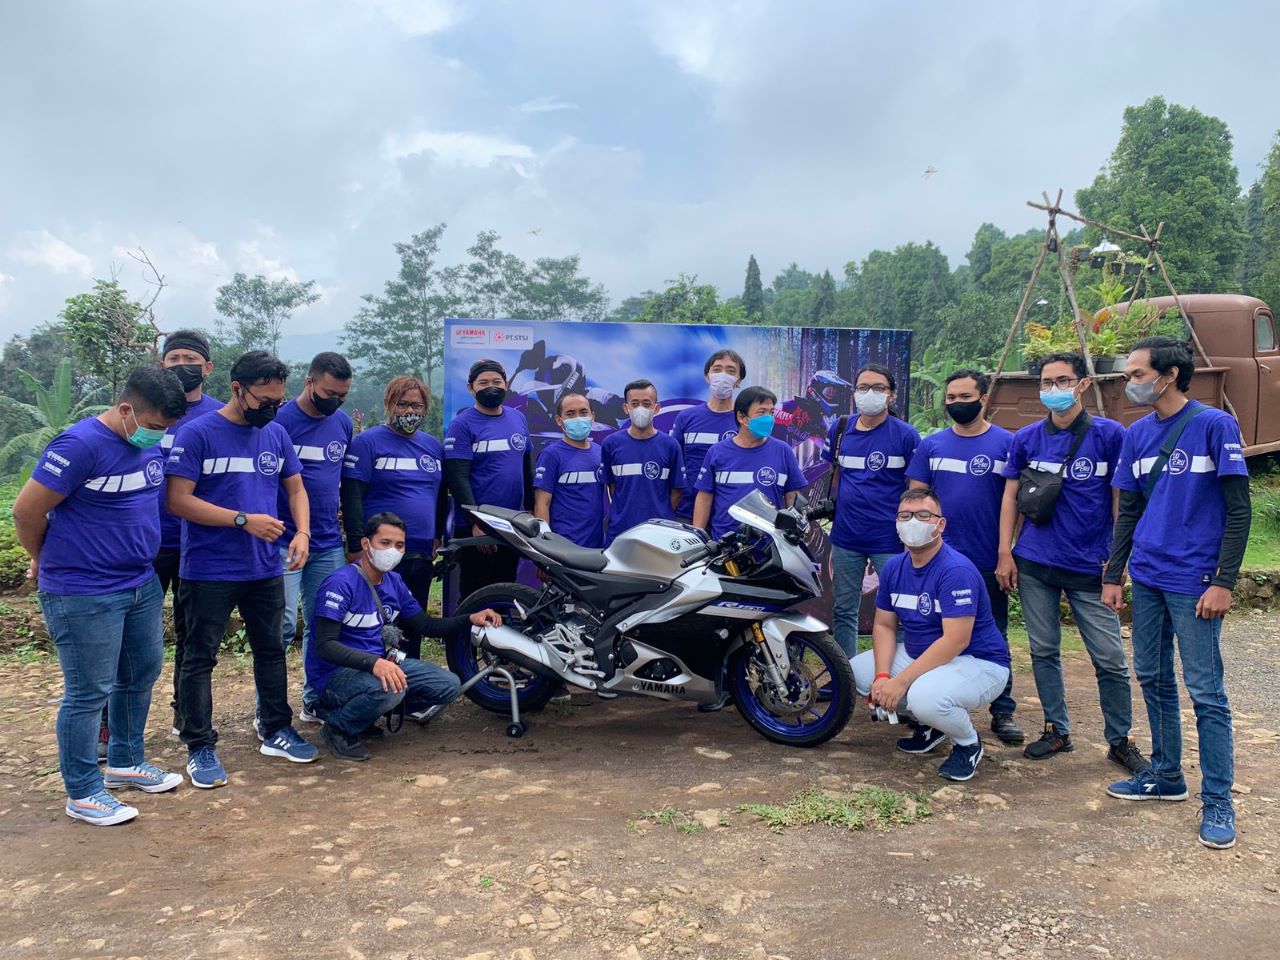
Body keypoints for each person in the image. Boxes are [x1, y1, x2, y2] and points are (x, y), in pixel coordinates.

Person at [12, 366, 188, 825]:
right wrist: (42, 558)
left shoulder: (146, 441)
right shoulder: (79, 446)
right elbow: (26, 511)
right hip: (84, 590)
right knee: (89, 692)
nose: (158, 435)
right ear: (126, 410)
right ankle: (84, 791)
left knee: (140, 673)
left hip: (139, 582)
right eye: (154, 426)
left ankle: (126, 761)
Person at [1103, 336, 1251, 850]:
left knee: (1206, 691)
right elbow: (1129, 511)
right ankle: (1167, 775)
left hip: (1195, 581)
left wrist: (1223, 581)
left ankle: (1219, 800)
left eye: (1137, 374)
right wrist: (1114, 573)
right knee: (1152, 675)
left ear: (1169, 376)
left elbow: (1239, 511)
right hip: (1148, 576)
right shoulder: (1136, 434)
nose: (1129, 383)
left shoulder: (1214, 425)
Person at [166, 350, 318, 789]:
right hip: (208, 569)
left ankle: (275, 728)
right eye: (264, 401)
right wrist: (241, 520)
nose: (272, 409)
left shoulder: (275, 434)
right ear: (237, 389)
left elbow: (296, 488)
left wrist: (302, 532)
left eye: (278, 401)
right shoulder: (197, 434)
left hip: (263, 567)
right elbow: (178, 500)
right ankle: (199, 745)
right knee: (199, 657)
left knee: (271, 649)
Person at [996, 352, 1147, 773]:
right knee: (1044, 650)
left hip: (1091, 567)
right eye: (1047, 382)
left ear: (1082, 384)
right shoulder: (1027, 438)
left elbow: (1121, 500)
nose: (1053, 389)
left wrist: (1118, 560)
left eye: (1063, 380)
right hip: (1035, 563)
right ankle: (1056, 730)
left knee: (1110, 659)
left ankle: (1120, 740)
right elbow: (1010, 496)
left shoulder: (1110, 435)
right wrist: (1005, 551)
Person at [307, 513, 502, 761]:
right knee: (390, 690)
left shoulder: (394, 582)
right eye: (385, 543)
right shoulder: (340, 583)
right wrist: (375, 664)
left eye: (399, 545)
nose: (392, 551)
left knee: (449, 685)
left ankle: (364, 714)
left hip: (378, 667)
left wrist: (470, 618)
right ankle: (338, 726)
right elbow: (325, 645)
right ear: (366, 544)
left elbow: (426, 625)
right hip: (335, 675)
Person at [850, 488, 1012, 782]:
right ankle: (934, 726)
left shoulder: (956, 570)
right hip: (923, 655)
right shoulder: (895, 567)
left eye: (923, 515)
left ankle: (967, 743)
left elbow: (955, 640)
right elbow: (884, 625)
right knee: (857, 674)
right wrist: (884, 676)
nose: (912, 522)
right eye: (905, 516)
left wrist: (900, 682)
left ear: (940, 524)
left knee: (925, 697)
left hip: (978, 661)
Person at [907, 369, 1023, 746]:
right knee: (935, 633)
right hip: (938, 562)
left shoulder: (1008, 444)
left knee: (994, 633)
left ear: (984, 399)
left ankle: (1002, 710)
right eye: (951, 398)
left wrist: (1007, 552)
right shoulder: (931, 446)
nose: (957, 403)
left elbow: (1014, 503)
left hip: (987, 560)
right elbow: (915, 502)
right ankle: (933, 710)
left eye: (965, 397)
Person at [342, 376, 445, 660]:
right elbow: (352, 497)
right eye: (403, 404)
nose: (410, 411)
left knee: (413, 624)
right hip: (380, 553)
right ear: (389, 404)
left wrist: (437, 536)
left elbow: (439, 496)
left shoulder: (433, 446)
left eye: (417, 405)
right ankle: (376, 680)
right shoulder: (366, 443)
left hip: (420, 553)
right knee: (378, 624)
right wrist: (355, 545)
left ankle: (410, 678)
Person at [822, 364, 920, 659]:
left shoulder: (905, 435)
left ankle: (897, 675)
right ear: (854, 393)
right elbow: (835, 476)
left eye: (878, 388)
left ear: (891, 395)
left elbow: (916, 491)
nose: (870, 393)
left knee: (899, 611)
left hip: (889, 541)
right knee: (843, 610)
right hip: (846, 538)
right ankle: (847, 676)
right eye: (863, 387)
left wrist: (910, 536)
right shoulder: (840, 430)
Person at [152, 330, 222, 739]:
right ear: (162, 364)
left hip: (198, 546)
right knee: (130, 639)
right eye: (173, 358)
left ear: (207, 367)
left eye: (190, 359)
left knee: (191, 635)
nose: (181, 365)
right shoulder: (143, 412)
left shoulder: (220, 417)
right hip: (146, 543)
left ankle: (186, 714)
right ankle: (109, 725)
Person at [275, 352, 353, 718]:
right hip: (281, 541)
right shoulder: (279, 421)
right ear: (309, 383)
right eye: (329, 393)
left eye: (343, 395)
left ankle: (315, 698)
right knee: (281, 625)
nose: (335, 401)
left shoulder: (342, 424)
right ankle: (270, 711)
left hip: (326, 542)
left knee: (325, 624)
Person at [444, 359, 532, 602]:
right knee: (476, 593)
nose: (491, 387)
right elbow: (457, 477)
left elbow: (526, 467)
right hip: (477, 525)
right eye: (483, 383)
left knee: (505, 588)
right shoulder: (461, 425)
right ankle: (469, 629)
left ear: (506, 384)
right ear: (471, 388)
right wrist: (476, 522)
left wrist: (530, 510)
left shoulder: (518, 418)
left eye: (497, 381)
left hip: (512, 523)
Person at [693, 385, 806, 539]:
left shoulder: (783, 450)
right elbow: (704, 498)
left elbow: (792, 497)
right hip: (725, 544)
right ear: (742, 417)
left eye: (771, 412)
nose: (769, 418)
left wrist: (796, 530)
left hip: (770, 544)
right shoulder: (717, 452)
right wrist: (697, 537)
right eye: (762, 412)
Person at [601, 379, 685, 544]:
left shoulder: (670, 445)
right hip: (620, 530)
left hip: (659, 533)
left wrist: (661, 517)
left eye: (646, 404)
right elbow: (612, 487)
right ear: (626, 408)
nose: (640, 408)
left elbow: (677, 491)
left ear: (656, 408)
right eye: (635, 404)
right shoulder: (610, 444)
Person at [671, 350, 744, 521]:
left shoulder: (745, 421)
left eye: (731, 371)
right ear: (707, 377)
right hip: (687, 511)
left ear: (739, 381)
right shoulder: (686, 418)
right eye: (717, 369)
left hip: (729, 517)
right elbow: (673, 463)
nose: (723, 376)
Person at [533, 392, 606, 548]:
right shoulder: (551, 455)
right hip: (563, 547)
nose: (578, 418)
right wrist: (545, 546)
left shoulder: (601, 452)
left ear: (592, 416)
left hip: (597, 547)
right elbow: (542, 504)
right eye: (570, 414)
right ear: (559, 420)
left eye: (583, 412)